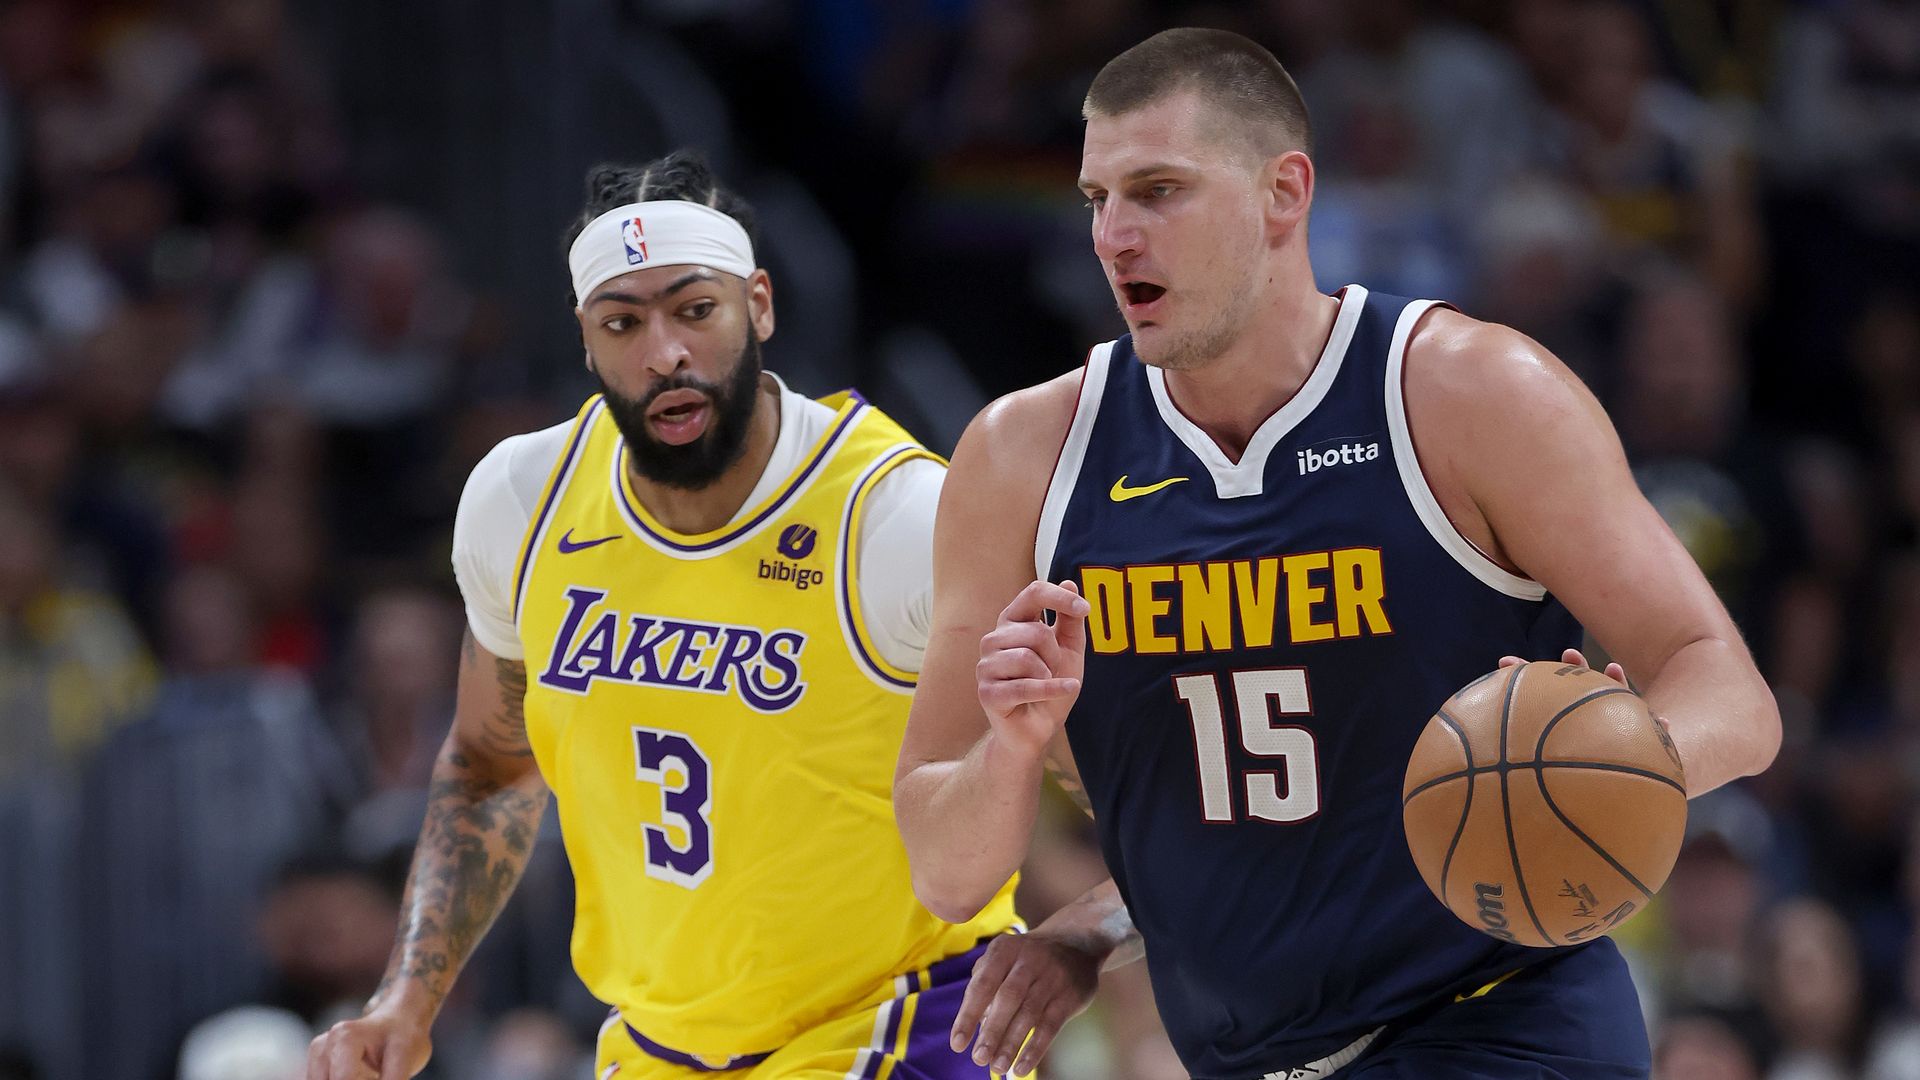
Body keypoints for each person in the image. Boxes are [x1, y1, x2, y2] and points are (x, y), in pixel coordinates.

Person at [895, 28, 1782, 1080]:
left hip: (1500, 1029)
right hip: (1242, 1057)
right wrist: (1034, 799)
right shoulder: (1022, 459)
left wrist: (1601, 770)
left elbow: (1729, 691)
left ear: (1285, 192)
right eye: (1098, 199)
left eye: (1159, 190)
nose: (1115, 236)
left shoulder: (1469, 396)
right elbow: (948, 875)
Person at [307, 151, 1022, 1080]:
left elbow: (1095, 758)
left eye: (695, 310)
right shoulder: (522, 501)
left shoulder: (898, 515)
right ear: (586, 340)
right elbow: (491, 763)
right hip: (658, 1043)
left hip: (904, 1023)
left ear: (758, 306)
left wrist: (1096, 929)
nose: (665, 353)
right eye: (624, 321)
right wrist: (408, 996)